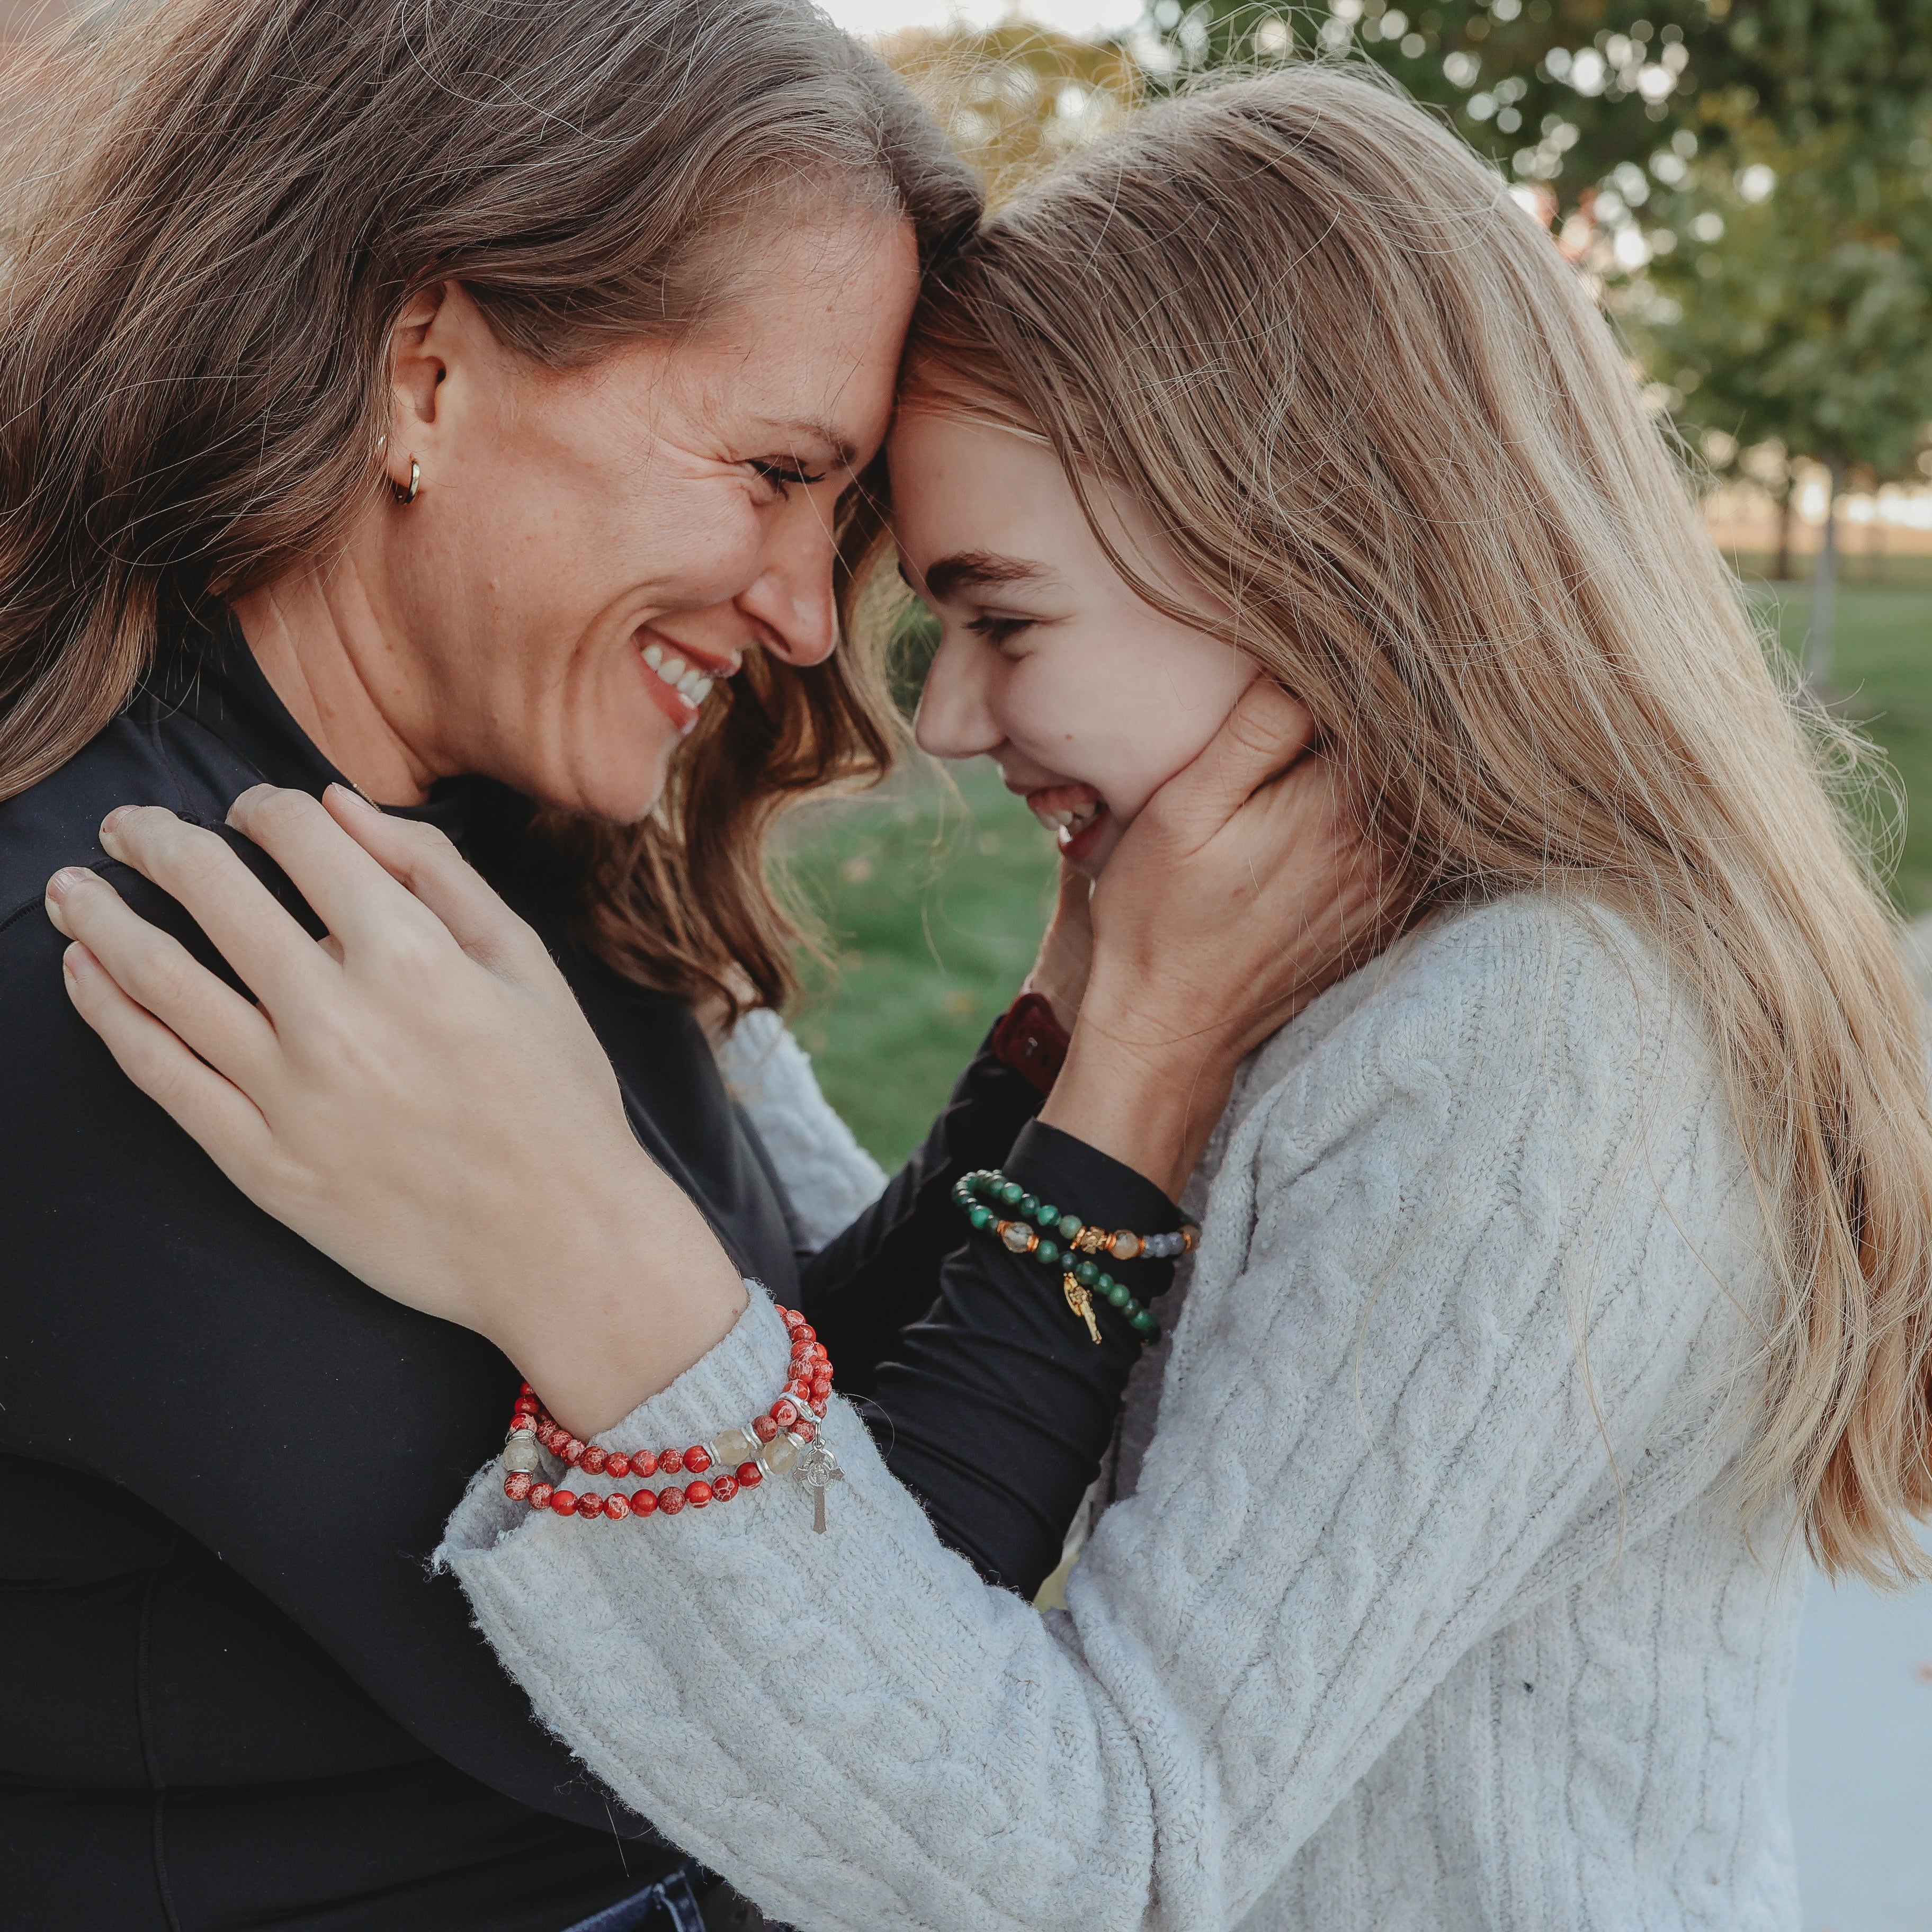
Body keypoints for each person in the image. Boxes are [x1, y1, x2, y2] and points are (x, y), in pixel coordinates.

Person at [47, 64, 1932, 1932]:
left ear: (1307, 568)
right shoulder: (188, 911)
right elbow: (834, 1547)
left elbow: (1065, 1848)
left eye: (1001, 616)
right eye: (784, 478)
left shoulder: (1531, 1046)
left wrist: (624, 1235)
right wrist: (1091, 1059)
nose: (906, 696)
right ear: (426, 373)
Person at [0, 4, 1382, 1926]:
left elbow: (755, 1393)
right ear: (425, 372)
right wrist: (1141, 1073)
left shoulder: (470, 830)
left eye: (846, 521)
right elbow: (827, 1714)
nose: (817, 622)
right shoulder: (137, 966)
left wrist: (1058, 1025)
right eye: (769, 472)